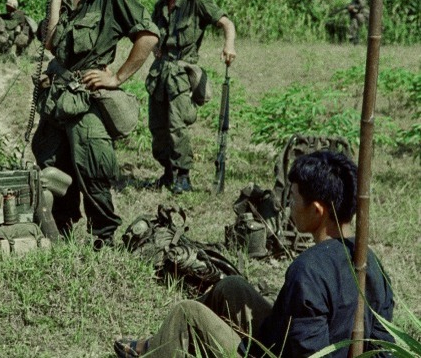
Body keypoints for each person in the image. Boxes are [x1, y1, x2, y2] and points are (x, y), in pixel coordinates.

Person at [113, 150, 394, 357]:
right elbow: (384, 346)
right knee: (231, 288)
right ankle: (160, 341)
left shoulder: (308, 270)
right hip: (283, 342)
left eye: (294, 198)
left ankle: (157, 349)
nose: (289, 207)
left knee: (186, 313)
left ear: (317, 210)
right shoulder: (371, 262)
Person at [32, 0, 159, 250]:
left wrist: (116, 77)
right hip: (59, 97)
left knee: (93, 168)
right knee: (52, 162)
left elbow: (147, 36)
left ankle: (102, 237)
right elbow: (51, 44)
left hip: (87, 100)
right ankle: (63, 228)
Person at [145, 0, 236, 194]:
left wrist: (229, 45)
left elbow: (226, 23)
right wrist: (155, 48)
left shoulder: (196, 3)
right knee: (158, 126)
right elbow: (152, 33)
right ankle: (167, 172)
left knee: (177, 126)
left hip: (181, 76)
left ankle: (183, 176)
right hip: (160, 74)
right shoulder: (160, 6)